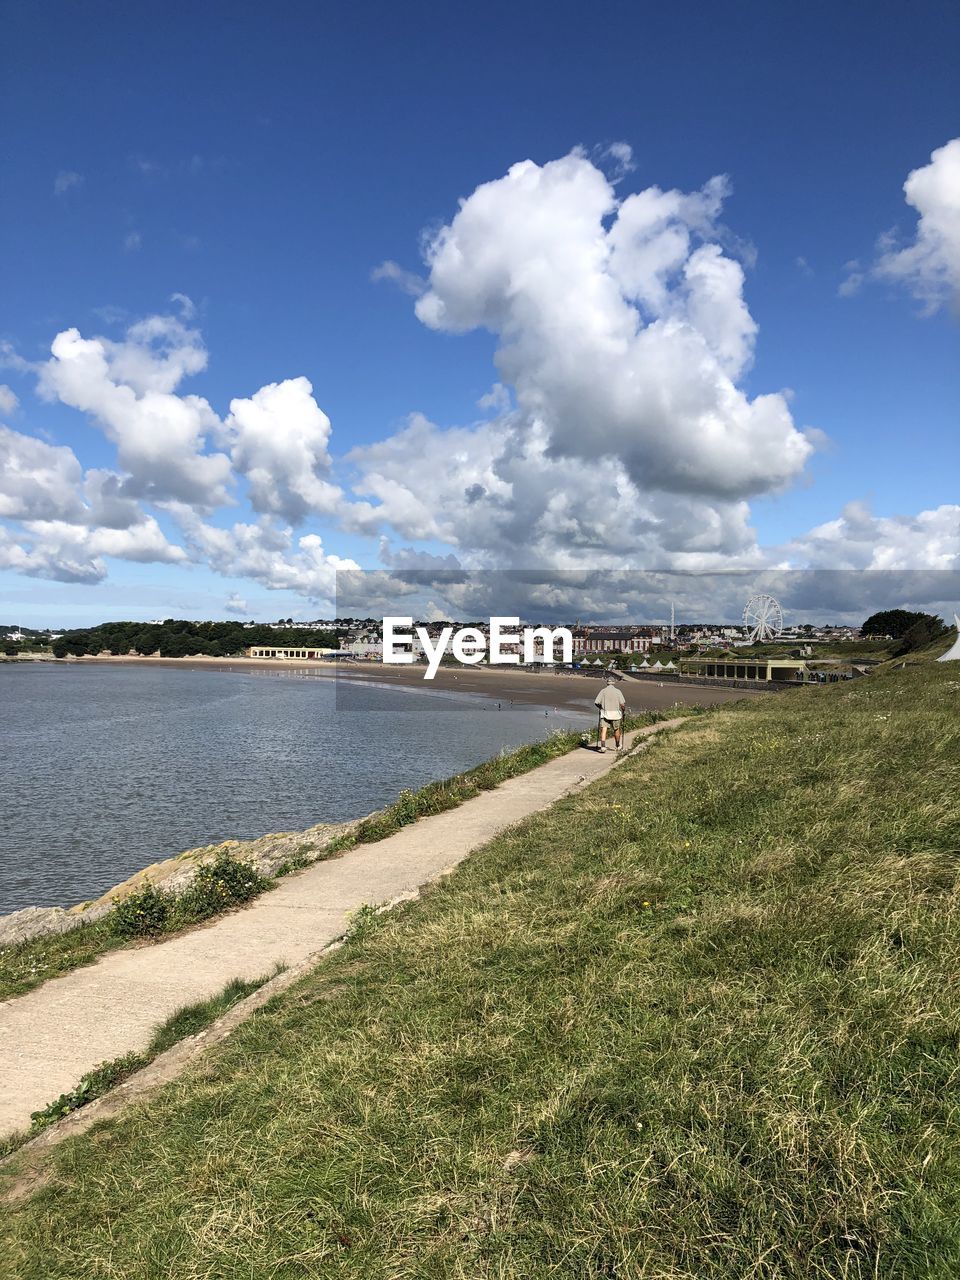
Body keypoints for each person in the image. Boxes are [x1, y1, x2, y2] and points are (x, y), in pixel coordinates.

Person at [594, 674, 626, 752]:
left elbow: (596, 702)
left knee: (604, 729)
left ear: (607, 683)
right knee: (616, 729)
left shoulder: (603, 691)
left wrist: (600, 707)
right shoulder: (618, 691)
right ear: (614, 683)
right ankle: (618, 745)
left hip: (605, 713)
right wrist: (623, 710)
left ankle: (603, 747)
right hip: (616, 714)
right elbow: (622, 704)